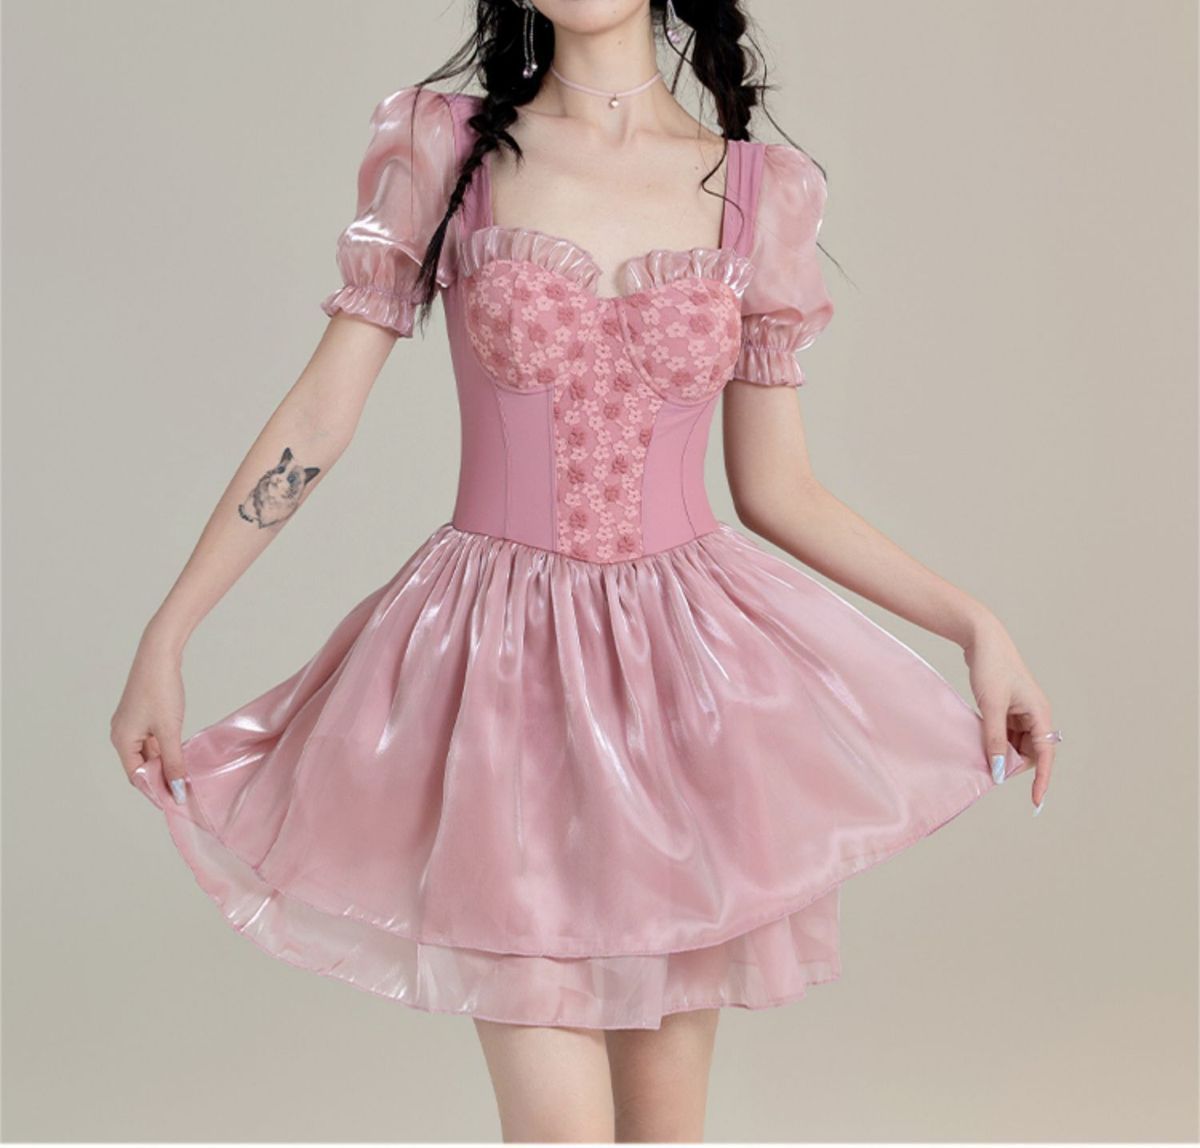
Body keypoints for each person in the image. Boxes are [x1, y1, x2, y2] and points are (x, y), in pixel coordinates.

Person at [110, 0, 1061, 1139]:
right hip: (498, 676)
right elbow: (321, 415)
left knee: (665, 1129)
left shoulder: (757, 189)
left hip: (684, 690)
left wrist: (974, 624)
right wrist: (171, 631)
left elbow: (777, 490)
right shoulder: (447, 147)